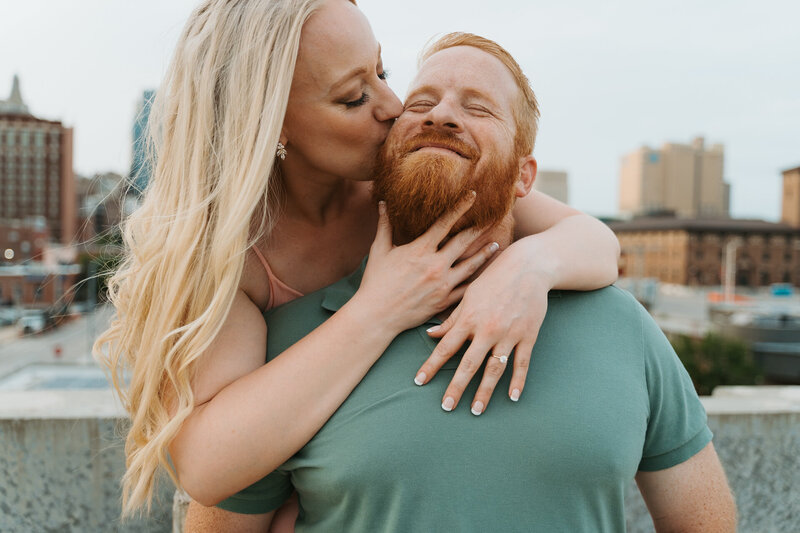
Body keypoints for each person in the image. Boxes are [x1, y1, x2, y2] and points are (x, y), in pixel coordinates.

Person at [94, 0, 621, 528]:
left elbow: (595, 242)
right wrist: (381, 307)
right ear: (270, 125)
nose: (394, 105)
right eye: (354, 96)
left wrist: (529, 266)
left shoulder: (407, 178)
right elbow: (210, 468)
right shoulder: (228, 248)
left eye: (382, 71)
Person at [215, 32, 737, 532]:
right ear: (385, 156)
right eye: (420, 104)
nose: (441, 114)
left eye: (477, 107)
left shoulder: (623, 326)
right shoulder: (289, 340)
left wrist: (529, 266)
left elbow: (703, 522)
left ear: (523, 177)